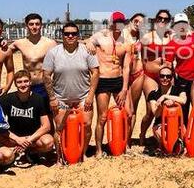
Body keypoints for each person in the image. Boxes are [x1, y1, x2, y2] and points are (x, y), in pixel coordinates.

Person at [42, 22, 99, 162]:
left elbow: (95, 73)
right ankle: (59, 157)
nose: (70, 36)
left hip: (83, 97)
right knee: (59, 128)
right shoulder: (53, 53)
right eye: (67, 34)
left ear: (78, 35)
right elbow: (46, 75)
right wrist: (52, 98)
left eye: (73, 33)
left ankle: (82, 153)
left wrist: (90, 96)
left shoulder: (87, 51)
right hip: (61, 98)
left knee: (86, 125)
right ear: (62, 35)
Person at [86, 12, 132, 158]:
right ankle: (99, 149)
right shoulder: (100, 36)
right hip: (103, 80)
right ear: (110, 22)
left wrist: (124, 88)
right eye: (115, 22)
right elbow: (87, 42)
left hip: (118, 80)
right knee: (102, 117)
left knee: (128, 113)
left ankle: (123, 144)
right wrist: (88, 43)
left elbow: (126, 68)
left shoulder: (126, 42)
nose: (117, 25)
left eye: (120, 22)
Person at [0, 70, 55, 162]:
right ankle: (14, 153)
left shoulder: (38, 99)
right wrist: (17, 139)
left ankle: (31, 151)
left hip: (33, 138)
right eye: (19, 82)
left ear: (30, 82)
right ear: (15, 84)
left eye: (26, 81)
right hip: (14, 138)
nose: (23, 85)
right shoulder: (7, 99)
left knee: (48, 142)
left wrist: (28, 140)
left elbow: (46, 126)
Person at [138, 9, 175, 145]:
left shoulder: (172, 37)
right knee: (151, 111)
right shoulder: (148, 37)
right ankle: (142, 134)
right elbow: (144, 61)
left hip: (167, 76)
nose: (162, 21)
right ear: (156, 19)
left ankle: (163, 136)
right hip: (151, 76)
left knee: (167, 107)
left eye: (165, 19)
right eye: (160, 18)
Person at [9, 13, 57, 103]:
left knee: (47, 115)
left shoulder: (50, 43)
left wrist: (87, 41)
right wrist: (2, 41)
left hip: (45, 85)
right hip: (27, 86)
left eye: (37, 24)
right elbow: (3, 52)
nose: (34, 27)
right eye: (31, 24)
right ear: (26, 26)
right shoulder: (19, 43)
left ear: (41, 26)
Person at [169, 13, 194, 115]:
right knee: (182, 111)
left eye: (183, 23)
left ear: (188, 23)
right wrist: (171, 78)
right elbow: (168, 63)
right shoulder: (172, 42)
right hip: (182, 80)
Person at [148, 66, 188, 150]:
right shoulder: (153, 94)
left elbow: (183, 100)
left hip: (177, 124)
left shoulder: (179, 89)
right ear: (158, 77)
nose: (165, 78)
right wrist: (162, 106)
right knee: (166, 140)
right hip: (160, 124)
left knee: (181, 138)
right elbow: (156, 114)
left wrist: (166, 97)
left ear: (172, 78)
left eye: (168, 76)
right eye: (162, 76)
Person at [123, 13, 146, 142]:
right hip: (124, 75)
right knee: (127, 110)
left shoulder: (143, 37)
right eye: (136, 21)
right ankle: (122, 138)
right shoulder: (121, 35)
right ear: (130, 21)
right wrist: (90, 42)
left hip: (138, 73)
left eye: (141, 23)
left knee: (134, 108)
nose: (138, 24)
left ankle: (128, 140)